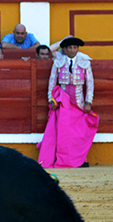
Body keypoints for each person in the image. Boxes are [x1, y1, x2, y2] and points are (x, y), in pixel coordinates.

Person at [38, 36, 96, 168]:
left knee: (79, 131)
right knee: (63, 131)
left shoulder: (85, 62)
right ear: (65, 49)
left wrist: (88, 102)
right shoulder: (58, 62)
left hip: (79, 101)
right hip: (63, 100)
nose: (72, 50)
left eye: (75, 47)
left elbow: (90, 83)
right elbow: (52, 82)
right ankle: (61, 158)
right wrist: (51, 100)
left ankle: (81, 159)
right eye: (70, 48)